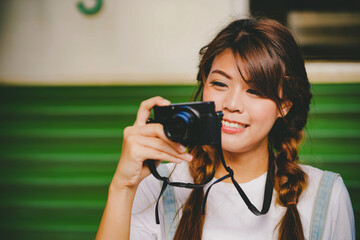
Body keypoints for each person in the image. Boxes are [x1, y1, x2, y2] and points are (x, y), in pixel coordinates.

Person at [96, 18, 355, 240]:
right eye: (220, 84)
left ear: (285, 105)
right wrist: (123, 186)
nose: (232, 104)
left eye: (255, 90)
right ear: (204, 86)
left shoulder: (326, 194)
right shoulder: (159, 185)